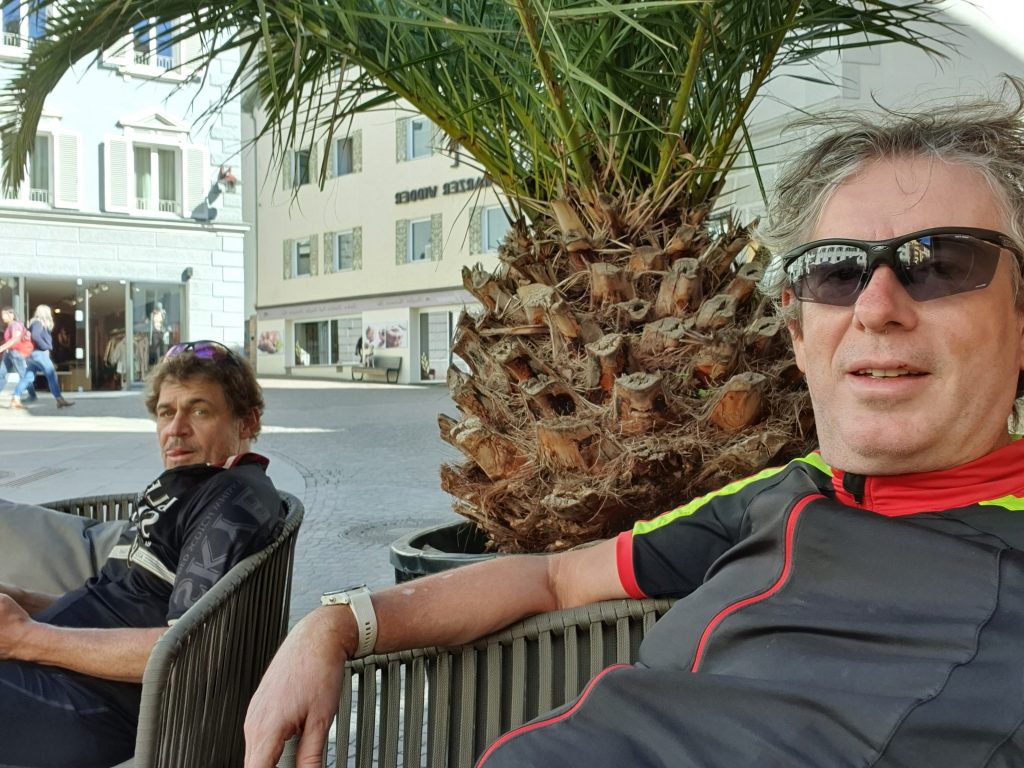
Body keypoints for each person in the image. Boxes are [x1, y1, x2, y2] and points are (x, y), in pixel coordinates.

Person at [244, 80, 1024, 768]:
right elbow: (553, 578)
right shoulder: (784, 495)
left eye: (939, 263)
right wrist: (336, 624)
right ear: (797, 331)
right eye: (838, 271)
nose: (877, 307)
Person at [0, 340, 286, 768]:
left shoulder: (231, 502)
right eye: (166, 413)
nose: (176, 429)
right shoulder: (196, 488)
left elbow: (189, 652)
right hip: (69, 680)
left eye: (199, 411)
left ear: (248, 420)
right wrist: (26, 603)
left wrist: (27, 638)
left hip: (92, 707)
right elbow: (129, 604)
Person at [11, 304, 73, 409]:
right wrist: (45, 347)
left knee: (28, 377)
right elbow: (35, 336)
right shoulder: (38, 323)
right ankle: (59, 399)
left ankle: (15, 398)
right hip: (39, 354)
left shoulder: (35, 323)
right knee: (51, 375)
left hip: (33, 354)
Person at [0, 306, 35, 407]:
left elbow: (15, 339)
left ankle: (32, 395)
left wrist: (2, 348)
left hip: (16, 353)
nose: (2, 316)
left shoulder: (15, 325)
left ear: (11, 315)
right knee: (1, 374)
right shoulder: (9, 326)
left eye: (4, 314)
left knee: (23, 374)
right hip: (9, 352)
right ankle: (32, 395)